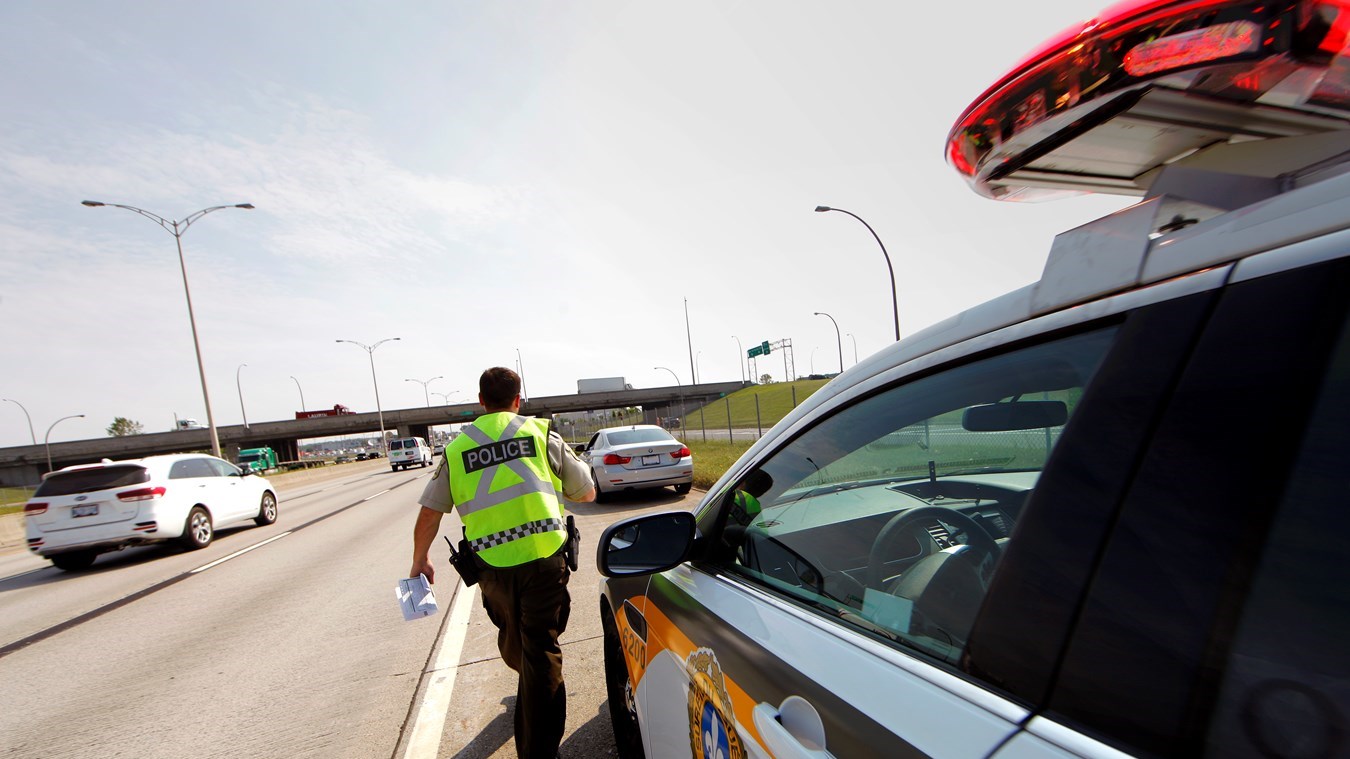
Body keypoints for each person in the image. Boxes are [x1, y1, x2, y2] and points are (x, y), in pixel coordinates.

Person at [410, 366, 595, 759]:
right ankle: (535, 697)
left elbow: (430, 512)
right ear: (518, 399)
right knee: (533, 650)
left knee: (535, 648)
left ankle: (538, 749)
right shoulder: (540, 433)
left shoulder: (457, 449)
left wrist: (419, 560)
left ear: (481, 401)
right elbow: (586, 492)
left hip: (493, 569)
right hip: (544, 559)